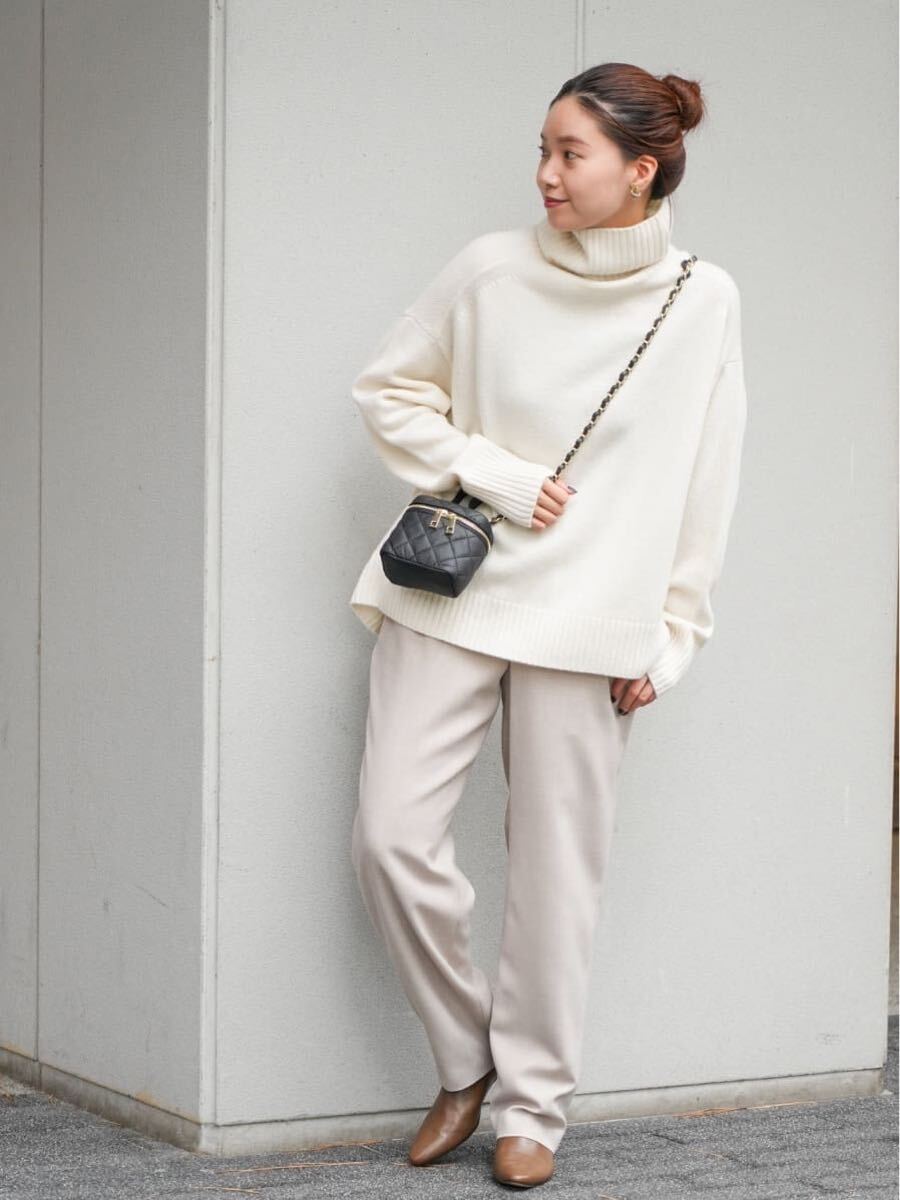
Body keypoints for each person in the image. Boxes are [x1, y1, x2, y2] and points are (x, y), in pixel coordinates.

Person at [347, 62, 748, 1189]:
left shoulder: (703, 299)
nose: (546, 175)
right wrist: (497, 473)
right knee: (389, 836)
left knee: (557, 876)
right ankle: (465, 1056)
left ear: (643, 169)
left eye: (571, 154)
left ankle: (534, 1109)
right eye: (543, 149)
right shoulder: (491, 268)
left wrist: (675, 635)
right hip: (457, 585)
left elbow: (709, 475)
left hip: (598, 611)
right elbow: (387, 390)